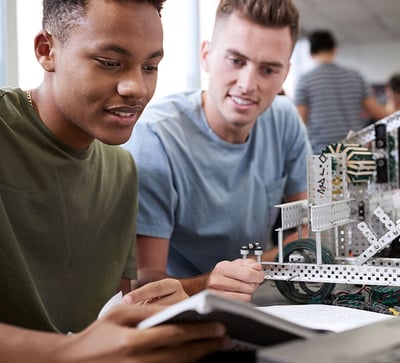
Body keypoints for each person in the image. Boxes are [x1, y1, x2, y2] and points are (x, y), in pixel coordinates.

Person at [0, 0, 231, 361]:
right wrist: (67, 352)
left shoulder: (122, 170)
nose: (136, 88)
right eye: (110, 63)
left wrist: (151, 310)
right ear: (47, 51)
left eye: (150, 67)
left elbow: (111, 314)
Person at [125, 0, 311, 300]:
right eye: (236, 61)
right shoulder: (156, 137)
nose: (248, 84)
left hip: (262, 299)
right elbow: (146, 289)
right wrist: (211, 283)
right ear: (206, 55)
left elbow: (308, 232)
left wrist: (251, 271)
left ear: (285, 74)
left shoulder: (285, 119)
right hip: (184, 312)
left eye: (268, 69)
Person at [294, 29, 389, 154]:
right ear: (334, 49)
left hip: (323, 155)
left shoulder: (305, 80)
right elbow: (378, 113)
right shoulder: (356, 76)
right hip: (355, 154)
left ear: (311, 53)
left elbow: (299, 124)